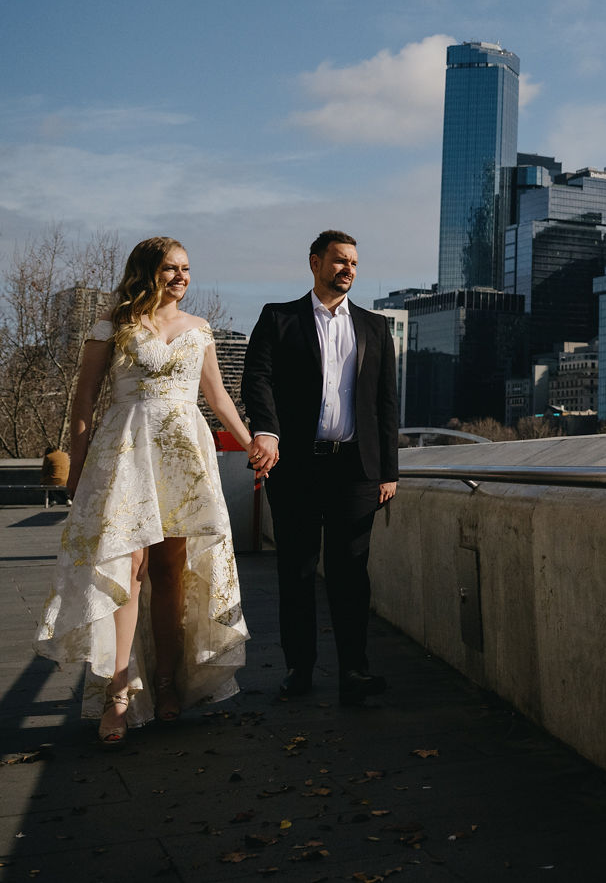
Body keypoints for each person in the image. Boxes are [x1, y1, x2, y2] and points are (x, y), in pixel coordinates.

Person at [36, 237, 277, 745]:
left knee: (172, 572)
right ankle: (118, 693)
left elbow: (215, 397)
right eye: (171, 269)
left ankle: (168, 685)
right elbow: (83, 401)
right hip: (125, 456)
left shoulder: (199, 330)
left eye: (187, 269)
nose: (182, 277)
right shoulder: (112, 328)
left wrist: (251, 438)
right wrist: (77, 469)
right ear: (147, 272)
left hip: (184, 460)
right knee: (129, 568)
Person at [241, 230, 400, 706]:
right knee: (297, 570)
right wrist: (267, 430)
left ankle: (354, 669)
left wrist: (388, 471)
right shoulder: (279, 318)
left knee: (352, 571)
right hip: (296, 469)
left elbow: (386, 404)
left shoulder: (375, 327)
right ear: (314, 263)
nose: (347, 269)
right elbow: (257, 380)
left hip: (356, 470)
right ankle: (299, 668)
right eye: (338, 261)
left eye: (353, 262)